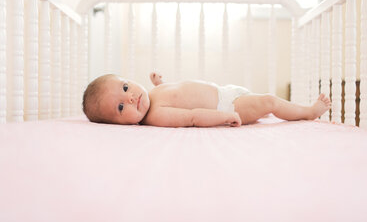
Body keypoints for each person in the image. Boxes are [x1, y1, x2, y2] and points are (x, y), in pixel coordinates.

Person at [82, 72, 331, 127]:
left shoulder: (150, 95)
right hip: (227, 105)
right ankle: (308, 112)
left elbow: (178, 92)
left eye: (125, 87)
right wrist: (225, 116)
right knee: (269, 101)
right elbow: (192, 116)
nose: (131, 97)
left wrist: (160, 84)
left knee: (260, 102)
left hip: (226, 91)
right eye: (121, 106)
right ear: (121, 124)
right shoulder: (156, 115)